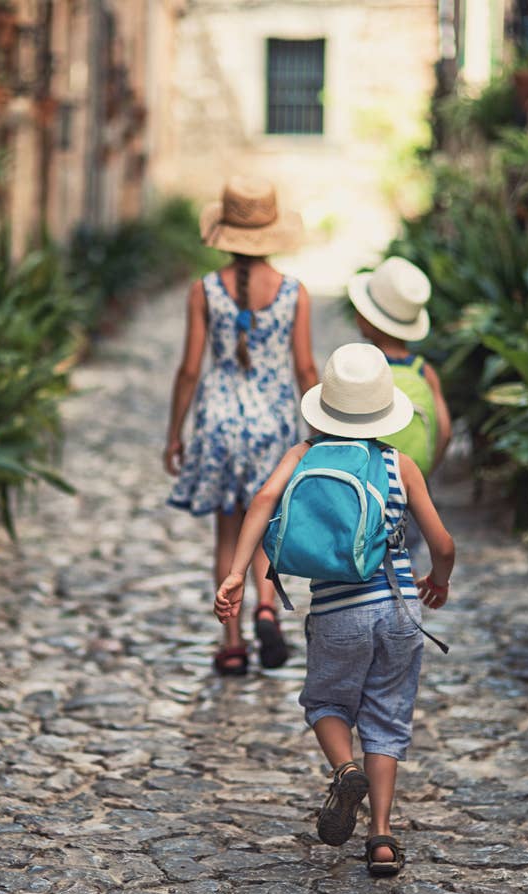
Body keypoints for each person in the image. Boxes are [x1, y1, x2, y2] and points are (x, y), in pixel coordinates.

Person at [213, 343, 455, 877]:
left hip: (337, 612)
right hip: (398, 612)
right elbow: (442, 542)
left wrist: (236, 572)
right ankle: (383, 839)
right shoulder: (400, 465)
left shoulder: (303, 454)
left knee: (325, 702)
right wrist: (438, 579)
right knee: (387, 718)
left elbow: (261, 502)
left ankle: (345, 770)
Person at [166, 176, 318, 676]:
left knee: (228, 536)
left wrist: (175, 432)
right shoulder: (295, 294)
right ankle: (267, 609)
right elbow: (305, 370)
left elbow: (190, 369)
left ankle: (231, 644)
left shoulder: (205, 290)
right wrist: (318, 437)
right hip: (273, 425)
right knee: (267, 528)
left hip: (217, 423)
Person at [348, 257, 452, 476]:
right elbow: (445, 432)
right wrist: (421, 472)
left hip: (365, 482)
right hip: (410, 481)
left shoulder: (361, 366)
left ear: (369, 319)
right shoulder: (424, 371)